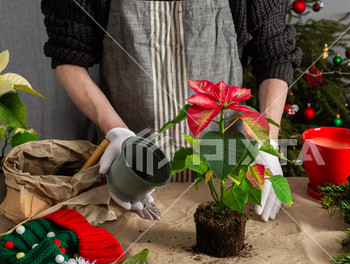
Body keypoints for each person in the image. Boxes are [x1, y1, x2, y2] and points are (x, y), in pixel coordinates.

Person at [41, 0, 301, 221]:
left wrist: (265, 142)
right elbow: (69, 57)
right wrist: (115, 130)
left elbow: (274, 54)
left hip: (226, 172)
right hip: (132, 170)